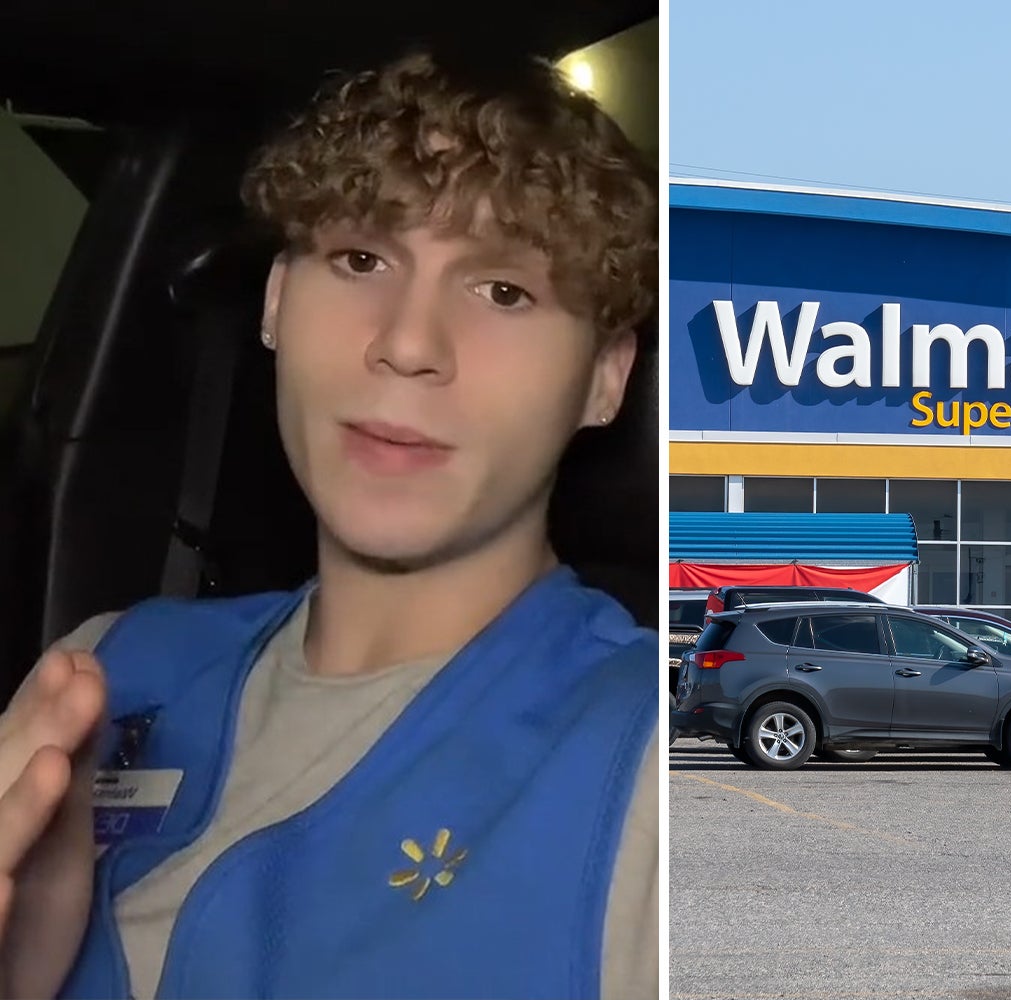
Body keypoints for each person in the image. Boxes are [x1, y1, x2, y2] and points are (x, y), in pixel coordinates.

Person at [0, 48, 657, 1000]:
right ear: (275, 301)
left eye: (505, 291)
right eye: (360, 258)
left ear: (605, 378)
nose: (405, 343)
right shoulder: (104, 668)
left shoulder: (649, 767)